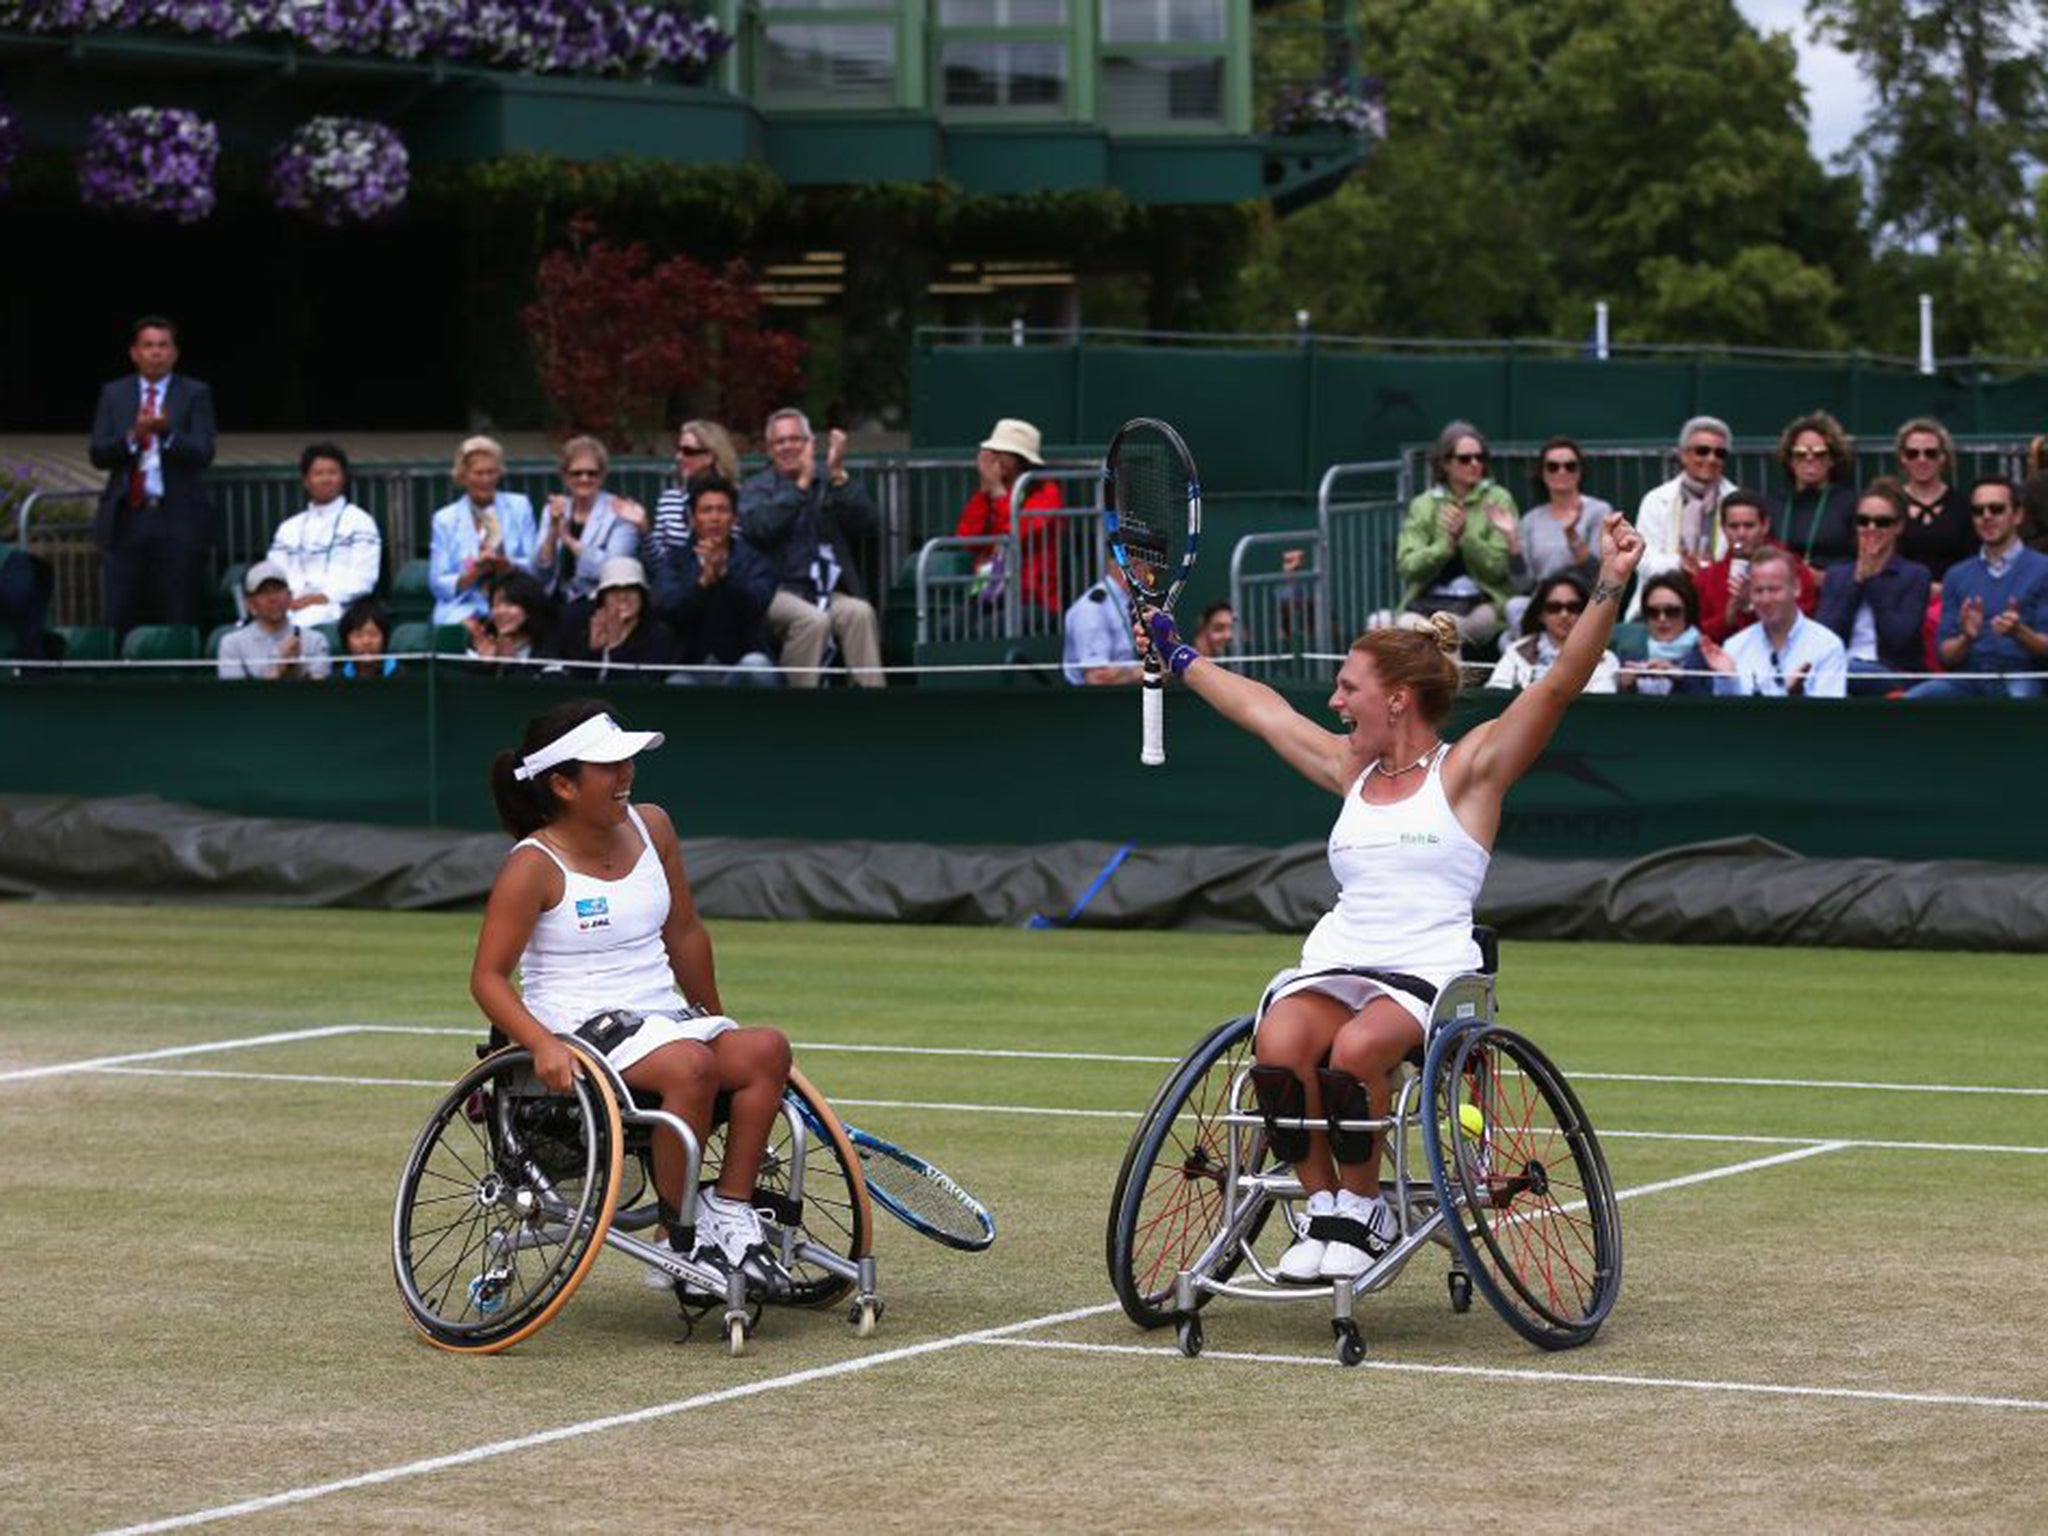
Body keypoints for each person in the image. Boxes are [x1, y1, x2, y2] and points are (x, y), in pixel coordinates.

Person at [1136, 514, 1646, 1280]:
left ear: (1399, 699)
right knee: (1276, 1047)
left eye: (1349, 688)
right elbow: (1263, 711)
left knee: (1356, 1053)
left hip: (1427, 969)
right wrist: (1179, 655)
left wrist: (1610, 580)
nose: (1336, 702)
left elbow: (1561, 679)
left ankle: (1365, 1209)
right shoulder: (1354, 771)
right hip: (1340, 957)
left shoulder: (1471, 770)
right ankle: (1326, 1211)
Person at [471, 699, 795, 1285]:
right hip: (580, 1027)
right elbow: (488, 978)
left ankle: (729, 1209)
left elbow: (685, 931)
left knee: (766, 1049)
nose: (627, 775)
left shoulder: (655, 826)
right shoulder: (533, 866)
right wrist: (541, 1045)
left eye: (628, 761)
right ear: (564, 785)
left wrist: (718, 1020)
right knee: (692, 1067)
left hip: (660, 1018)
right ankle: (679, 1233)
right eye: (610, 766)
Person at [88, 315, 217, 636]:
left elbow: (203, 452)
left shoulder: (195, 393)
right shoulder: (114, 394)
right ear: (134, 352)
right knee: (119, 611)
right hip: (127, 518)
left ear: (174, 353)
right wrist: (135, 435)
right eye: (148, 346)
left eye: (163, 346)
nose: (155, 353)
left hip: (176, 518)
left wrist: (166, 433)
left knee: (177, 610)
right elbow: (98, 454)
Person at [739, 408, 883, 688]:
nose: (789, 446)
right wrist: (801, 485)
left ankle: (872, 707)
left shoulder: (830, 481)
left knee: (859, 612)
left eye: (796, 439)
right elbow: (761, 528)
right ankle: (799, 712)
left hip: (824, 588)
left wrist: (839, 474)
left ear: (810, 444)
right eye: (780, 442)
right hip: (774, 590)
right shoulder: (754, 488)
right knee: (812, 621)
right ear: (769, 449)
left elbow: (867, 523)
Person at [1904, 476, 2048, 699]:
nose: (1986, 517)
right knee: (1912, 702)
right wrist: (1967, 638)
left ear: (2018, 515)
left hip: (2023, 674)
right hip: (1968, 677)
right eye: (1978, 511)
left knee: (2019, 704)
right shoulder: (1957, 574)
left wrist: (2019, 632)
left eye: (1996, 509)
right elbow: (1945, 656)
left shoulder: (2043, 569)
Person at [1394, 420, 1520, 651]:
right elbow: (1407, 566)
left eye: (1480, 457)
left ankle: (1450, 688)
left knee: (1446, 631)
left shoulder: (1498, 499)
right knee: (1403, 625)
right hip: (1425, 604)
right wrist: (1446, 545)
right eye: (1465, 458)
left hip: (1483, 603)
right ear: (1445, 463)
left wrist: (1466, 539)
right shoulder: (1423, 505)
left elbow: (1499, 569)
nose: (1474, 464)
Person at [654, 474, 779, 686]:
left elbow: (757, 605)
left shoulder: (754, 559)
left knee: (757, 666)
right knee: (676, 684)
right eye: (706, 510)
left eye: (722, 510)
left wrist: (724, 575)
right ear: (693, 519)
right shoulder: (674, 560)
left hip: (739, 661)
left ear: (734, 518)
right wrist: (702, 584)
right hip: (691, 666)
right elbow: (668, 609)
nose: (715, 517)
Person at [1813, 480, 1933, 695]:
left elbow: (1900, 641)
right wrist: (1857, 582)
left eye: (1882, 522)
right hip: (1841, 672)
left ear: (1899, 526)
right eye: (1863, 521)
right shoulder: (1837, 575)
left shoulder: (1915, 575)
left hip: (1892, 674)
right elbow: (1827, 636)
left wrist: (1872, 581)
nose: (1871, 529)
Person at [953, 418, 1064, 617]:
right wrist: (984, 492)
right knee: (949, 628)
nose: (993, 461)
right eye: (991, 454)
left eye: (1000, 454)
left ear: (1020, 459)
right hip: (989, 591)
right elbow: (967, 537)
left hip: (1032, 598)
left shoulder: (1046, 493)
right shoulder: (992, 491)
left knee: (988, 631)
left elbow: (1015, 534)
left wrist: (997, 493)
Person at [1700, 548, 1846, 698]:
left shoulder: (1827, 646)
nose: (1766, 600)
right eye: (1758, 591)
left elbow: (1829, 718)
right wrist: (1727, 679)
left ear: (1796, 588)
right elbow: (1725, 717)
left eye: (1774, 589)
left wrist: (1798, 697)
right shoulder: (1734, 648)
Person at [265, 442, 382, 628]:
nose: (326, 479)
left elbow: (364, 578)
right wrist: (287, 600)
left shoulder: (360, 521)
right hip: (289, 606)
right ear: (306, 481)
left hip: (339, 608)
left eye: (332, 473)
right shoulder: (288, 527)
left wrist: (323, 597)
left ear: (343, 478)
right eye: (318, 473)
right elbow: (273, 573)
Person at [1631, 416, 1736, 617]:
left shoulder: (1736, 500)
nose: (1711, 459)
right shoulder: (1656, 499)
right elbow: (1642, 560)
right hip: (1659, 607)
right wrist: (1680, 564)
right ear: (1683, 455)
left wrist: (1703, 570)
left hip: (1717, 608)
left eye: (1719, 453)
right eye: (1702, 451)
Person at [430, 435, 539, 626]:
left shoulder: (519, 506)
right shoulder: (444, 519)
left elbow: (535, 565)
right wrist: (472, 573)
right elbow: (438, 582)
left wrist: (508, 565)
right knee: (460, 625)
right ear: (463, 476)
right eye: (478, 473)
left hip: (515, 596)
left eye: (492, 472)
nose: (486, 479)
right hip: (466, 601)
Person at [1691, 490, 1819, 644]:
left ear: (1765, 526)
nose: (1741, 533)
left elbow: (1804, 624)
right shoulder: (1707, 578)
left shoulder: (1794, 570)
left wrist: (1754, 609)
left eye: (1749, 526)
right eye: (1734, 526)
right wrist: (1729, 615)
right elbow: (1699, 634)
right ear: (1723, 529)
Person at [536, 435, 645, 603]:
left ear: (602, 476)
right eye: (576, 473)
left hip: (597, 598)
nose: (584, 479)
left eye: (592, 473)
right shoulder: (554, 509)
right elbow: (540, 570)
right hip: (555, 595)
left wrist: (570, 541)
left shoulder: (620, 512)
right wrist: (552, 531)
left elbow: (614, 570)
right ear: (565, 477)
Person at [1485, 573, 1618, 693]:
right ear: (1541, 615)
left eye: (1573, 607)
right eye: (1554, 608)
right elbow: (1495, 694)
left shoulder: (1604, 658)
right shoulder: (1517, 653)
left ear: (1583, 613)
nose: (1564, 614)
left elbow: (1601, 701)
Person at [643, 418, 741, 580]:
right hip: (677, 584)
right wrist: (644, 531)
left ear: (710, 456)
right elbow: (658, 562)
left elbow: (740, 555)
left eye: (688, 451)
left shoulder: (736, 500)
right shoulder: (669, 500)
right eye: (679, 450)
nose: (679, 457)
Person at [1764, 410, 1858, 569]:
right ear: (1790, 460)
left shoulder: (1850, 503)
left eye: (1819, 454)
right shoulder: (1774, 503)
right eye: (1800, 454)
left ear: (1832, 459)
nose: (1809, 459)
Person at [558, 556, 678, 680]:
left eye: (630, 589)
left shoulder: (659, 636)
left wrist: (615, 649)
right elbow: (576, 685)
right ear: (602, 599)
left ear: (642, 597)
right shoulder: (582, 628)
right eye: (614, 590)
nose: (623, 597)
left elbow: (640, 685)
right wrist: (592, 652)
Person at [1519, 436, 1611, 595]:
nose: (1562, 471)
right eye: (1552, 466)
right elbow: (1523, 584)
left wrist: (1571, 535)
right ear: (1542, 473)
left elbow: (1598, 576)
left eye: (1570, 466)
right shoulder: (1530, 520)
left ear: (1580, 471)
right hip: (1543, 603)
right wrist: (1513, 546)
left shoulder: (1599, 511)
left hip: (1587, 600)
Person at [216, 560, 332, 681]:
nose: (272, 598)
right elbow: (234, 696)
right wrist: (278, 669)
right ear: (250, 603)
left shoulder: (316, 641)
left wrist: (296, 669)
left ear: (290, 596)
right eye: (264, 592)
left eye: (277, 590)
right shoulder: (232, 644)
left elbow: (319, 694)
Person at [1892, 417, 1974, 578]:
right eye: (1912, 453)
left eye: (1930, 453)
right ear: (1903, 458)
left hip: (1951, 595)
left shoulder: (1962, 505)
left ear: (1942, 457)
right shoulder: (1891, 504)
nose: (1922, 460)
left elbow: (1971, 559)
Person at [1616, 572, 1713, 695]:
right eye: (1653, 612)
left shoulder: (1707, 657)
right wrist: (1625, 688)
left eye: (1671, 611)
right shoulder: (1628, 654)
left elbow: (1714, 706)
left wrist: (1681, 678)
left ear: (1688, 613)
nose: (1662, 618)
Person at [1062, 562, 1142, 685]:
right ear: (1132, 566)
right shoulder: (1091, 609)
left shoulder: (1134, 601)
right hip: (1096, 701)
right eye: (1154, 570)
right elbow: (1097, 677)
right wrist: (1150, 671)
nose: (1155, 577)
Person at [465, 569, 556, 673]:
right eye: (495, 605)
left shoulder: (548, 647)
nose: (500, 612)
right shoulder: (481, 642)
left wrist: (511, 665)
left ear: (530, 607)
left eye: (509, 604)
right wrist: (485, 665)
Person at [335, 597, 397, 680]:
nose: (366, 641)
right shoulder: (338, 679)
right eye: (358, 635)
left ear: (385, 639)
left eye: (373, 635)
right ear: (346, 641)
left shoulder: (401, 676)